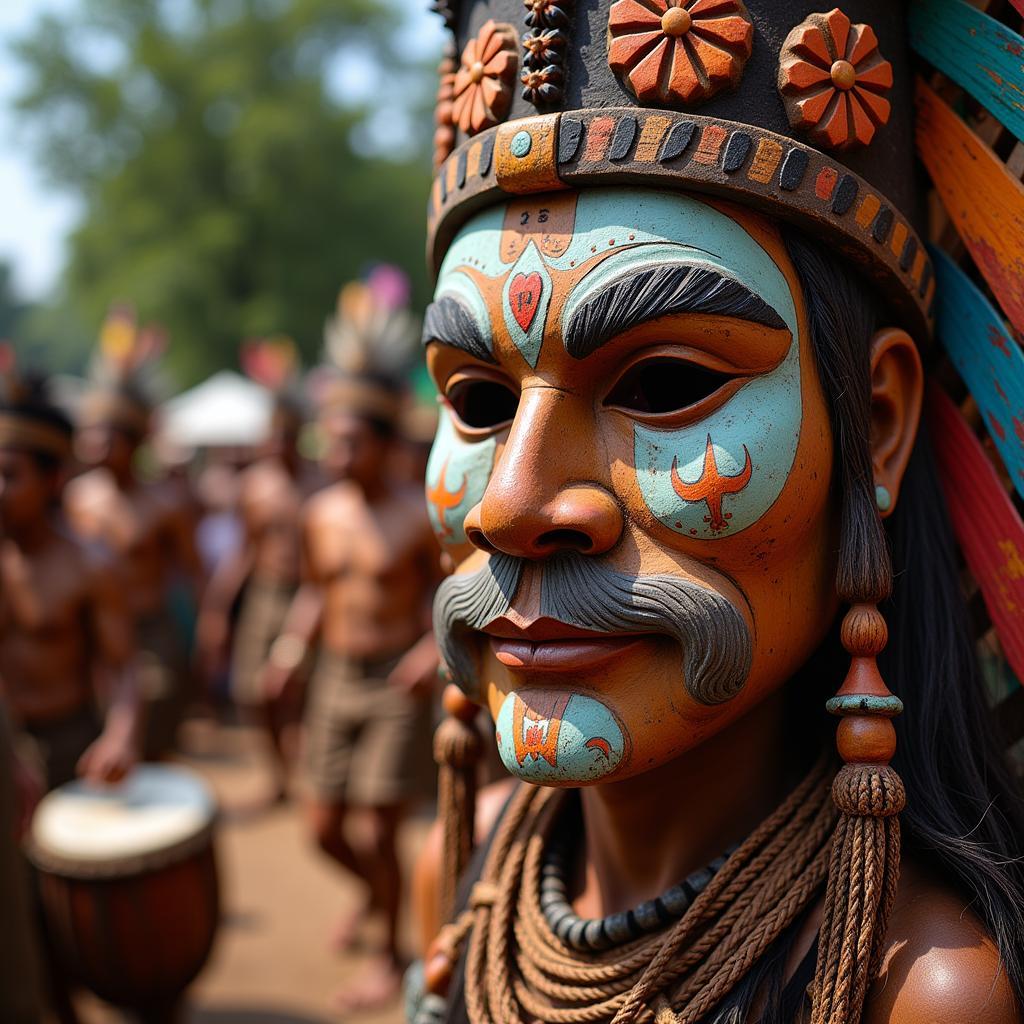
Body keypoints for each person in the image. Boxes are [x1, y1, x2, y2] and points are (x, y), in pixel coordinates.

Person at [408, 3, 1024, 1023]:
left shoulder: (919, 992)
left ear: (874, 425)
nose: (514, 506)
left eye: (660, 385)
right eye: (476, 398)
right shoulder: (463, 864)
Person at [264, 271, 441, 1011]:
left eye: (347, 442)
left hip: (395, 679)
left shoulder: (418, 516)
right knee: (322, 827)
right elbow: (314, 591)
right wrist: (289, 650)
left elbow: (448, 596)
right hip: (335, 676)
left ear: (378, 442)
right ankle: (376, 899)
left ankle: (389, 952)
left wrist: (428, 656)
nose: (333, 453)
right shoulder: (319, 515)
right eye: (327, 440)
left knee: (376, 829)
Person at [64, 307, 203, 758]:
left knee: (152, 736)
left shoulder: (165, 503)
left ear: (136, 441)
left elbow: (191, 571)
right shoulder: (74, 498)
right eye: (91, 436)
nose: (96, 447)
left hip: (152, 634)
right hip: (88, 633)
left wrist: (203, 637)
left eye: (109, 438)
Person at [0, 372, 139, 791]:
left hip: (69, 743)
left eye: (10, 475)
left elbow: (122, 666)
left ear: (53, 481)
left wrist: (120, 736)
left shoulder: (90, 566)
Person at [198, 348, 314, 801]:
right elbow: (243, 554)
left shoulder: (320, 485)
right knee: (251, 692)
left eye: (288, 433)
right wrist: (217, 610)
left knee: (295, 687)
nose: (280, 442)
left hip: (308, 596)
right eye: (274, 434)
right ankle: (278, 773)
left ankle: (302, 768)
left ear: (301, 434)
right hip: (265, 595)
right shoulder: (255, 487)